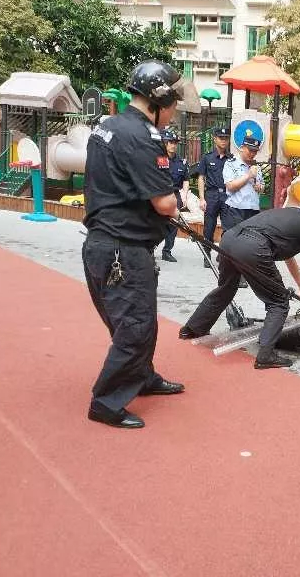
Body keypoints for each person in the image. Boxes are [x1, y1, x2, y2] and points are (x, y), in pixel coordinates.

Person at [81, 59, 198, 428]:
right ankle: (106, 402)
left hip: (104, 244)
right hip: (123, 249)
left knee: (137, 322)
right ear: (157, 100)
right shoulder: (144, 137)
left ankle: (142, 376)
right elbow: (164, 203)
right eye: (173, 104)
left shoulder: (108, 126)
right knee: (135, 327)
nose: (174, 112)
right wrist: (180, 201)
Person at [178, 191, 300, 369]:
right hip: (253, 246)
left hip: (229, 239)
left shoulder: (292, 213)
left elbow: (288, 256)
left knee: (225, 289)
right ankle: (266, 355)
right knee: (279, 301)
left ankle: (192, 329)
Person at [221, 135, 264, 287]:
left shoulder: (256, 167)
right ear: (242, 148)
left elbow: (261, 186)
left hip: (252, 210)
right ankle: (234, 274)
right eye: (250, 150)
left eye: (255, 151)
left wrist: (259, 186)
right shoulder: (231, 164)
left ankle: (246, 273)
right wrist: (248, 175)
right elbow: (230, 186)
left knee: (250, 244)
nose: (252, 154)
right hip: (236, 209)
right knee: (235, 244)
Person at [198, 126, 234, 268]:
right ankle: (207, 254)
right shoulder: (207, 157)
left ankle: (222, 254)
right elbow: (201, 178)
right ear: (215, 139)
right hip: (212, 195)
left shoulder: (232, 159)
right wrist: (202, 198)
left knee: (228, 227)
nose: (223, 141)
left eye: (226, 138)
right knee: (209, 227)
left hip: (227, 195)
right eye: (221, 138)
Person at [160, 128, 189, 263]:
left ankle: (167, 251)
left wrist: (184, 196)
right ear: (165, 143)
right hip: (160, 194)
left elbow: (186, 180)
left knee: (173, 225)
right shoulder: (159, 159)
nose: (173, 145)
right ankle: (150, 249)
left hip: (175, 194)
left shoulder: (181, 162)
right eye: (170, 142)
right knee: (156, 223)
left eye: (175, 143)